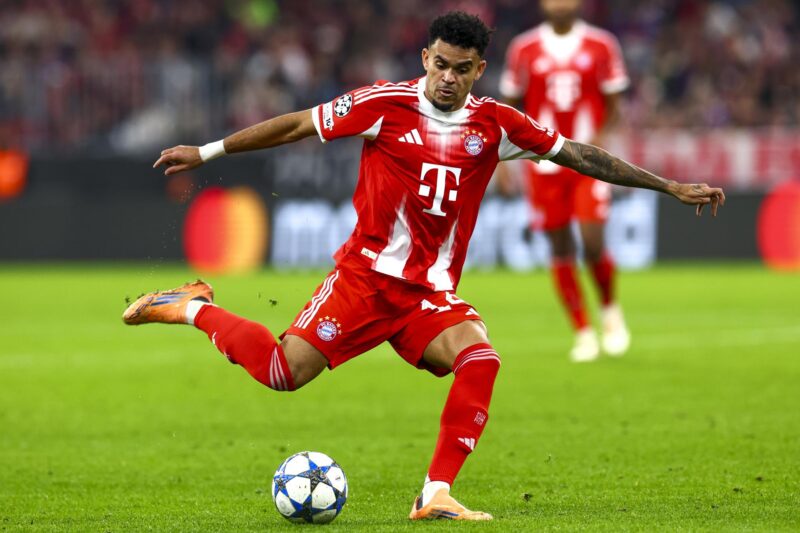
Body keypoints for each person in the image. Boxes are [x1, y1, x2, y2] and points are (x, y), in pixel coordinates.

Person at [124, 11, 724, 521]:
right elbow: (299, 124)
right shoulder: (383, 104)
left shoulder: (495, 124)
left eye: (461, 68)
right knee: (283, 372)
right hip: (364, 280)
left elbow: (578, 154)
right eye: (440, 64)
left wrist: (669, 186)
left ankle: (436, 492)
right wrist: (206, 151)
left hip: (427, 295)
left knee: (480, 358)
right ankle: (192, 307)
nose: (447, 77)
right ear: (425, 59)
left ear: (479, 70)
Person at [499, 0, 632, 362]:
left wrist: (601, 138)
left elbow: (614, 102)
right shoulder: (524, 48)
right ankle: (583, 332)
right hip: (544, 165)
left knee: (592, 241)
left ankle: (609, 309)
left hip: (588, 162)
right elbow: (509, 107)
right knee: (560, 246)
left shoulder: (601, 44)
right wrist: (503, 162)